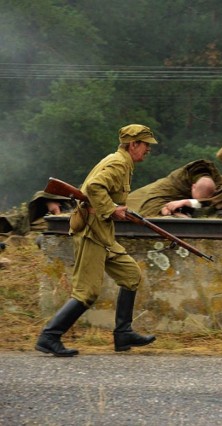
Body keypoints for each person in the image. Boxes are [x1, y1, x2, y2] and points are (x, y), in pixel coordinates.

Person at [35, 124, 159, 357]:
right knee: (87, 292)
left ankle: (123, 334)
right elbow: (93, 187)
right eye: (145, 145)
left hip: (103, 233)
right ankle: (49, 336)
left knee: (131, 275)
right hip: (92, 232)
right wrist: (112, 209)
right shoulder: (118, 163)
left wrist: (113, 210)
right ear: (133, 145)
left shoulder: (123, 163)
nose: (148, 150)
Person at [126, 159, 222, 217]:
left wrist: (188, 202)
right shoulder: (170, 185)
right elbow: (148, 209)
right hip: (133, 202)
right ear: (193, 187)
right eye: (195, 198)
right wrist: (165, 211)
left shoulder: (219, 181)